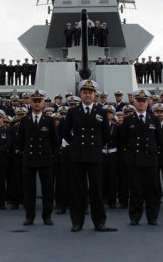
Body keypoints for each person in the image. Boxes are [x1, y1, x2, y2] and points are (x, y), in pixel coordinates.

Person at [63, 79, 110, 232]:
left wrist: (97, 145)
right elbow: (64, 132)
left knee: (96, 189)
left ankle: (99, 222)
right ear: (81, 94)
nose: (87, 95)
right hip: (78, 155)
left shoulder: (101, 112)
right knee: (78, 189)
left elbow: (106, 135)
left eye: (90, 92)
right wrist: (75, 143)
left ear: (95, 95)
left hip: (95, 155)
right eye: (85, 92)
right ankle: (77, 222)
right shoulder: (73, 112)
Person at [119, 89, 161, 225]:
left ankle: (152, 216)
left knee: (152, 189)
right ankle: (135, 216)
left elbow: (159, 139)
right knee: (135, 189)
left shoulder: (154, 119)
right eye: (139, 101)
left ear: (148, 102)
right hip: (135, 159)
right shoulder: (128, 120)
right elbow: (123, 139)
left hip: (150, 159)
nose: (141, 103)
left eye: (144, 101)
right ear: (134, 102)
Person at [18, 90, 57, 226]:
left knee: (47, 189)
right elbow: (21, 140)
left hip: (45, 159)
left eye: (39, 101)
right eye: (34, 101)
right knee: (29, 189)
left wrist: (50, 154)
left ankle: (47, 216)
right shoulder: (24, 120)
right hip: (29, 158)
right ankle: (30, 216)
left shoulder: (49, 120)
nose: (36, 103)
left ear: (43, 103)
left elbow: (54, 141)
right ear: (30, 102)